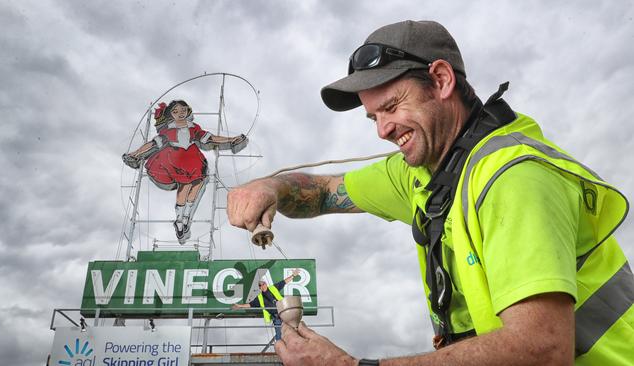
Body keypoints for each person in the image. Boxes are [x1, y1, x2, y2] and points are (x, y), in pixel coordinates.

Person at [227, 20, 634, 365]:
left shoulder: (513, 177)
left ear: (441, 80)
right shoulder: (422, 173)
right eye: (373, 117)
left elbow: (543, 349)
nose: (382, 130)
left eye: (391, 107)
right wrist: (271, 187)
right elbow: (320, 193)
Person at [123, 100, 248, 243]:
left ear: (188, 111)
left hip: (193, 159)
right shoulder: (169, 129)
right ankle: (179, 220)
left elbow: (210, 138)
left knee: (197, 184)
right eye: (175, 112)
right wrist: (136, 154)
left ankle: (186, 217)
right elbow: (153, 143)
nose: (180, 114)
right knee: (185, 186)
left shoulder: (193, 127)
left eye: (183, 110)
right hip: (176, 159)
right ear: (170, 115)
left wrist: (232, 140)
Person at [231, 269, 301, 341]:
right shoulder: (259, 297)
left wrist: (293, 275)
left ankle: (297, 344)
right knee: (279, 334)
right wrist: (240, 306)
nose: (262, 286)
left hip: (284, 313)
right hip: (276, 317)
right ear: (259, 287)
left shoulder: (274, 288)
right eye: (260, 285)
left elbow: (284, 282)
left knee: (293, 330)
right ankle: (281, 348)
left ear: (266, 284)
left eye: (263, 284)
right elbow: (250, 304)